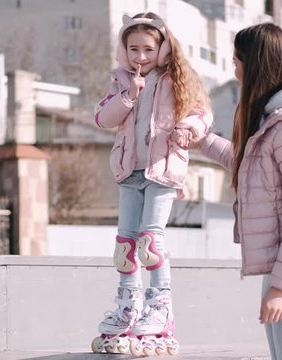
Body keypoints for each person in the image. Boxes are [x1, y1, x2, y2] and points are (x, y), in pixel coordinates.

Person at [185, 23, 282, 360]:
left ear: (254, 64)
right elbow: (253, 168)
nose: (233, 66)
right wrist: (205, 143)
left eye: (237, 59)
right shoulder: (273, 119)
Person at [90, 12, 212, 356]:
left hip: (162, 170)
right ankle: (128, 306)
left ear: (163, 47)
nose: (140, 56)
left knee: (150, 241)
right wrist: (128, 94)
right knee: (125, 246)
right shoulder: (121, 80)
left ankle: (161, 308)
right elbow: (102, 117)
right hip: (130, 172)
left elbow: (202, 113)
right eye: (133, 49)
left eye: (147, 49)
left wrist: (188, 128)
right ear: (123, 50)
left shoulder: (177, 78)